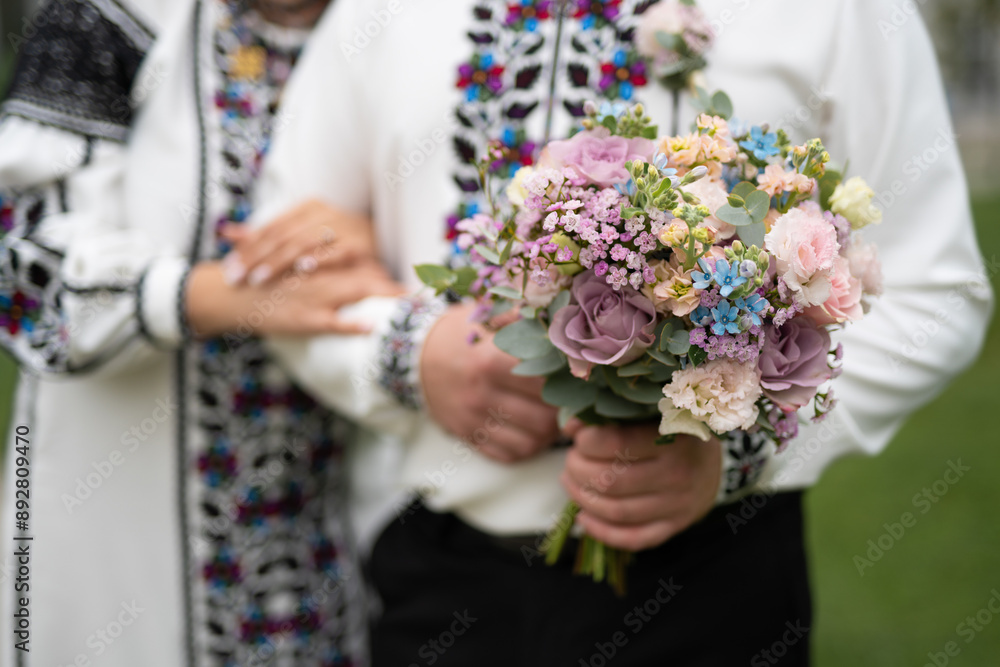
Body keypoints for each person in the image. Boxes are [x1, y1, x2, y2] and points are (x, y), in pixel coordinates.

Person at [228, 0, 992, 664]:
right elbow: (280, 272)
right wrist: (409, 354)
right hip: (443, 582)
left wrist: (736, 446)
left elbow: (938, 288)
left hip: (716, 591)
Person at [0, 0, 401, 664]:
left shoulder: (397, 29)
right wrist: (208, 297)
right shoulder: (111, 16)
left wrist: (375, 236)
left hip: (323, 561)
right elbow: (20, 278)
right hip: (121, 572)